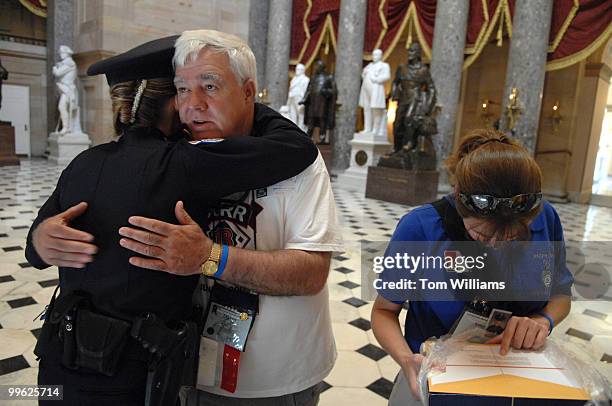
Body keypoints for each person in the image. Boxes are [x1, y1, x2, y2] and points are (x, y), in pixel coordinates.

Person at [26, 35, 318, 406]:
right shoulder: (183, 164)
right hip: (129, 374)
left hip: (58, 364)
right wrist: (248, 99)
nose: (193, 105)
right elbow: (297, 148)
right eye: (183, 92)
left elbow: (34, 253)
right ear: (170, 105)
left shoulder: (84, 163)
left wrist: (39, 240)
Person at [117, 29, 344, 406]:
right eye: (183, 89)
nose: (193, 105)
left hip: (275, 377)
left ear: (248, 91)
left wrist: (209, 257)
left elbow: (311, 271)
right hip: (183, 367)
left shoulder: (298, 161)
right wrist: (45, 234)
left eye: (210, 85)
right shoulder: (173, 151)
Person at [370, 129, 573, 405]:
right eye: (482, 235)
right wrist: (407, 360)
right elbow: (383, 312)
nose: (497, 245)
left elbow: (561, 295)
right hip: (439, 382)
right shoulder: (420, 229)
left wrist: (542, 321)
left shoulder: (545, 218)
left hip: (520, 379)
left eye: (513, 237)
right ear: (458, 196)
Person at [390, 43, 435, 152]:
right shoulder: (402, 67)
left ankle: (410, 143)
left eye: (412, 51)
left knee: (409, 119)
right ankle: (396, 149)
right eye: (409, 51)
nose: (410, 53)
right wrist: (395, 94)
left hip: (415, 98)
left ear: (418, 53)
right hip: (403, 98)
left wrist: (428, 107)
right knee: (397, 124)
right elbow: (395, 82)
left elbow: (431, 88)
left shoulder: (423, 70)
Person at [300, 59, 337, 144]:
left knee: (322, 120)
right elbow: (308, 90)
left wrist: (326, 91)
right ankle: (308, 137)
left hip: (322, 103)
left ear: (322, 67)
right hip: (312, 103)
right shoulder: (313, 78)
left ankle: (322, 137)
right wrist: (304, 99)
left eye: (318, 66)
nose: (316, 67)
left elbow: (334, 91)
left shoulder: (328, 78)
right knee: (311, 120)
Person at [358, 49, 390, 136]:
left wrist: (377, 79)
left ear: (380, 56)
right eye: (373, 55)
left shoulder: (384, 65)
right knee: (367, 109)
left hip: (376, 89)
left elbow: (387, 76)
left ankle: (375, 129)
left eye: (376, 55)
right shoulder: (369, 65)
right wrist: (364, 73)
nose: (374, 57)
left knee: (376, 110)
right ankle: (367, 128)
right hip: (366, 90)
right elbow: (363, 75)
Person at [52, 45, 83, 134]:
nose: (61, 54)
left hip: (68, 89)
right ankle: (66, 127)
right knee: (62, 107)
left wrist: (54, 68)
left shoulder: (70, 63)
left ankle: (66, 128)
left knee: (62, 107)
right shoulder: (65, 63)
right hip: (64, 89)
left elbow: (57, 73)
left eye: (62, 52)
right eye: (60, 53)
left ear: (67, 53)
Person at [287, 63, 309, 131]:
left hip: (300, 98)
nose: (297, 70)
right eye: (296, 69)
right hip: (292, 97)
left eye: (299, 69)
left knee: (300, 115)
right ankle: (293, 130)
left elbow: (306, 90)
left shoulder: (305, 79)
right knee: (292, 114)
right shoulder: (294, 79)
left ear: (303, 70)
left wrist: (304, 99)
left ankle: (301, 130)